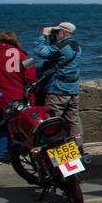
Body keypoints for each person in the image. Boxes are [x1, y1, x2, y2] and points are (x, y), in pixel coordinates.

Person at [0, 31, 36, 164]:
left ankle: (1, 155)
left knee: (5, 124)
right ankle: (15, 154)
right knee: (16, 127)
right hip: (17, 97)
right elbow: (31, 76)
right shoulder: (23, 55)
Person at [31, 21, 85, 156]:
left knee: (53, 124)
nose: (56, 34)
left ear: (64, 32)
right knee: (74, 121)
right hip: (72, 89)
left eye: (58, 31)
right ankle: (78, 148)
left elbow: (40, 52)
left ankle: (60, 156)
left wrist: (43, 36)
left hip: (58, 91)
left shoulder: (60, 47)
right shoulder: (77, 46)